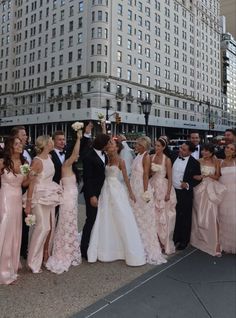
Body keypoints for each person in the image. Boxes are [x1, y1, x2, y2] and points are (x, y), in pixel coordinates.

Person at [88, 140, 146, 266]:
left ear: (117, 148)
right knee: (105, 216)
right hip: (106, 190)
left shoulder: (121, 161)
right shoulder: (106, 157)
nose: (110, 146)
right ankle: (104, 248)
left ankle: (124, 250)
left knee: (121, 216)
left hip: (116, 189)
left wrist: (131, 193)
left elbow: (125, 178)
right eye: (109, 144)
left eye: (112, 145)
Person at [46, 131, 82, 274]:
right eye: (59, 140)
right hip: (64, 199)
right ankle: (59, 251)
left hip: (71, 201)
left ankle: (68, 248)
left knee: (69, 223)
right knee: (62, 223)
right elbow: (75, 154)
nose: (62, 142)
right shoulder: (66, 164)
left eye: (63, 140)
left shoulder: (70, 167)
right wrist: (78, 138)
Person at [25, 136, 62, 273]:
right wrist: (28, 203)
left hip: (49, 196)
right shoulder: (37, 161)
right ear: (46, 144)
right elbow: (31, 183)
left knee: (49, 227)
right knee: (43, 228)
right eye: (51, 141)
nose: (53, 143)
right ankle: (32, 262)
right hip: (38, 197)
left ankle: (40, 259)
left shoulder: (50, 158)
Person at [130, 137, 166, 265]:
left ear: (144, 146)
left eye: (139, 144)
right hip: (134, 187)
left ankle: (146, 246)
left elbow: (145, 174)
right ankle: (135, 244)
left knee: (144, 218)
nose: (136, 146)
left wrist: (145, 192)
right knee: (135, 217)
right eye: (137, 144)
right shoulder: (138, 155)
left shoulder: (146, 156)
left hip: (141, 189)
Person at [0, 137, 30, 284]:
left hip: (17, 199)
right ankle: (3, 271)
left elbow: (24, 183)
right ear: (10, 147)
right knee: (4, 230)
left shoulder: (25, 164)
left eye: (20, 143)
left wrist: (32, 177)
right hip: (5, 198)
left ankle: (11, 266)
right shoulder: (2, 162)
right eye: (16, 144)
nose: (20, 146)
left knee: (14, 232)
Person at [190, 144, 226, 256]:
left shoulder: (216, 162)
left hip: (211, 189)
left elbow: (217, 176)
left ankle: (214, 242)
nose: (204, 153)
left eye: (207, 151)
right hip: (199, 189)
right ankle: (199, 238)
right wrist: (198, 177)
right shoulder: (197, 161)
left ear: (211, 152)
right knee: (198, 213)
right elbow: (193, 175)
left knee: (212, 214)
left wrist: (208, 175)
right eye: (203, 151)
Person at [80, 133, 111, 259]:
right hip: (92, 193)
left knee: (99, 219)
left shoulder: (105, 155)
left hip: (103, 192)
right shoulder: (89, 156)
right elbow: (87, 178)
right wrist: (92, 195)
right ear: (103, 144)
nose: (110, 145)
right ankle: (84, 248)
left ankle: (96, 245)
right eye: (108, 142)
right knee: (91, 219)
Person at [172, 141, 201, 250]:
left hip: (185, 193)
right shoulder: (174, 155)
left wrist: (188, 184)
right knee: (173, 215)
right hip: (172, 191)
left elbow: (198, 179)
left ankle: (184, 240)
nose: (180, 150)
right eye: (181, 147)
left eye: (184, 149)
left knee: (184, 217)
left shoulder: (195, 163)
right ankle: (174, 238)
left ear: (190, 152)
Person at [150, 137, 177, 255]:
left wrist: (168, 192)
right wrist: (152, 172)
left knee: (164, 215)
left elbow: (170, 177)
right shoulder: (151, 157)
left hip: (163, 187)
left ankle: (163, 242)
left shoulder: (167, 160)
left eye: (159, 146)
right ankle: (154, 242)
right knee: (153, 214)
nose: (156, 148)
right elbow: (147, 173)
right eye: (155, 145)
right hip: (152, 185)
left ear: (163, 147)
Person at [10, 126, 34, 259]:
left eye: (26, 135)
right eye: (23, 135)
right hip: (9, 194)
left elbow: (26, 177)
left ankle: (22, 250)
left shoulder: (28, 153)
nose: (26, 137)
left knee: (24, 223)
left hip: (24, 191)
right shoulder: (5, 158)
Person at [218, 143, 236, 254]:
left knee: (234, 219)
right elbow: (216, 176)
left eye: (231, 149)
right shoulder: (219, 162)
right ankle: (225, 244)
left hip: (234, 194)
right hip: (223, 194)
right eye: (227, 148)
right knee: (223, 219)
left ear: (234, 152)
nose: (228, 150)